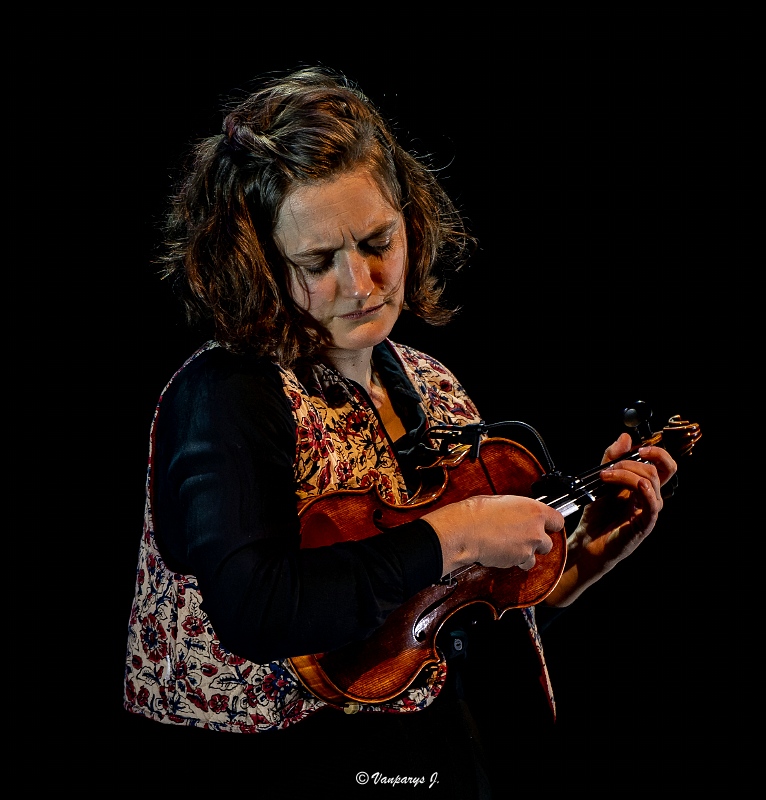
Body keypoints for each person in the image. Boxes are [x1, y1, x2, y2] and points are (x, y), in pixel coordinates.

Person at [122, 66, 677, 796]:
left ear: (409, 221)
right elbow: (256, 611)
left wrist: (579, 562)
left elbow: (449, 603)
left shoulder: (429, 381)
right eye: (318, 261)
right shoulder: (225, 396)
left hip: (415, 752)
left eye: (378, 241)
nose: (361, 283)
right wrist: (459, 534)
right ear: (258, 264)